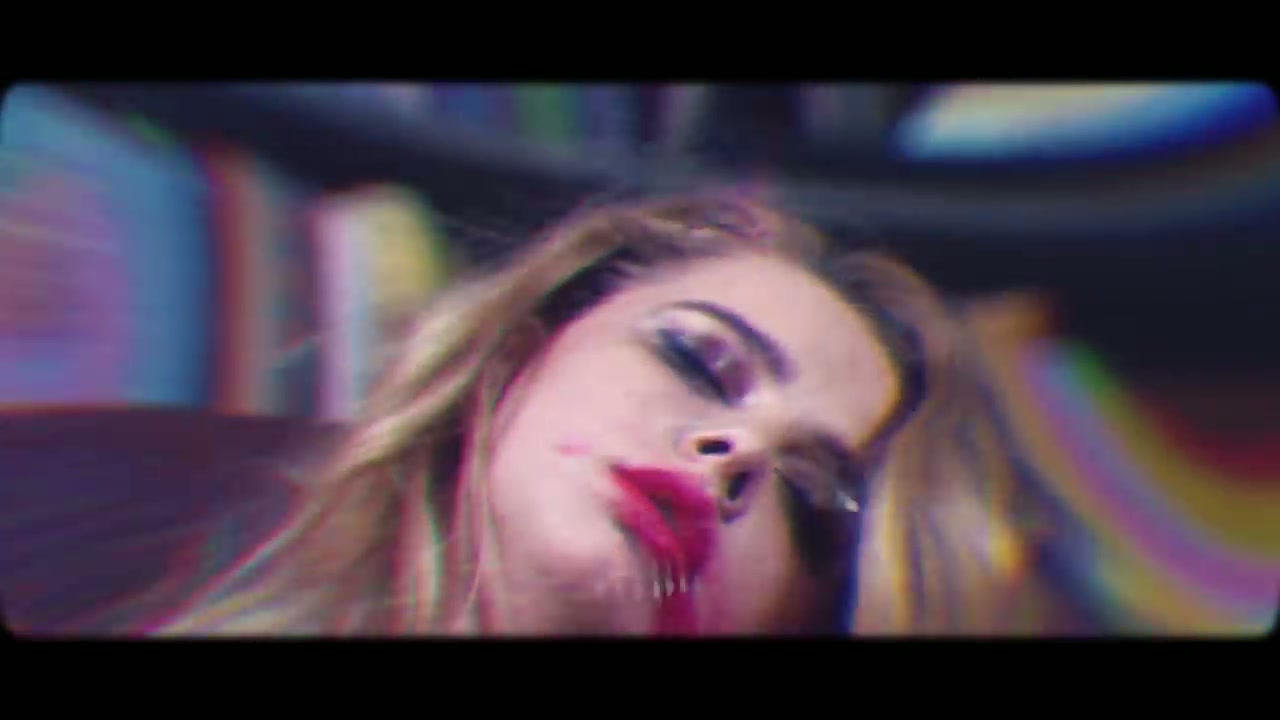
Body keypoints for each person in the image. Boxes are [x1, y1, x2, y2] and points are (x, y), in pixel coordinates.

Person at [157, 191, 1048, 636]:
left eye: (814, 501)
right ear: (525, 344)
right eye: (700, 361)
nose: (739, 449)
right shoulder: (152, 518)